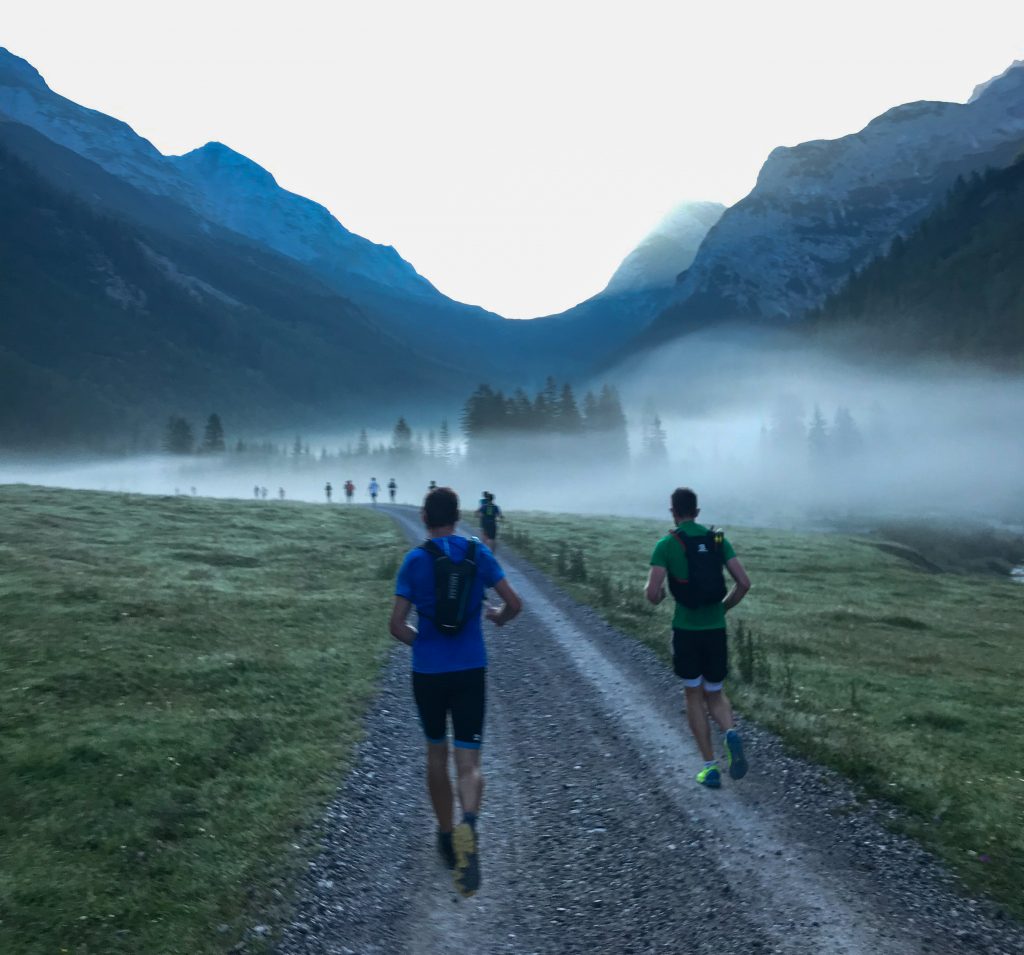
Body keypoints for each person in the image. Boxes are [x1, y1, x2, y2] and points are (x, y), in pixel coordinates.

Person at [389, 487, 522, 897]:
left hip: (428, 673)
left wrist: (423, 643)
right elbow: (514, 604)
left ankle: (446, 835)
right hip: (470, 669)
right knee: (470, 761)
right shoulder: (477, 553)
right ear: (458, 516)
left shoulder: (415, 560)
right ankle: (471, 822)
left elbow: (396, 625)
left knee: (436, 754)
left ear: (425, 518)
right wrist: (497, 618)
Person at [645, 487, 751, 789]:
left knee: (693, 695)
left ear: (673, 512)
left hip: (686, 631)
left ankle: (709, 767)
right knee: (715, 693)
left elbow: (653, 594)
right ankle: (730, 732)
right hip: (715, 629)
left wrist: (659, 594)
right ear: (698, 512)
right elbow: (744, 583)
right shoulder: (718, 540)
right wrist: (723, 608)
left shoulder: (667, 544)